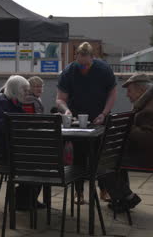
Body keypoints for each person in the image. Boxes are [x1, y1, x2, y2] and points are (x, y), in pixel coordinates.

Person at [56, 42, 117, 203]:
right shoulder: (69, 71)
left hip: (100, 117)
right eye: (80, 64)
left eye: (86, 65)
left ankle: (104, 190)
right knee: (79, 155)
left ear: (93, 58)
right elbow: (60, 99)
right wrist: (66, 110)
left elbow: (112, 93)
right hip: (78, 120)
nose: (83, 68)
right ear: (76, 57)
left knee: (100, 155)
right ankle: (79, 193)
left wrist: (104, 113)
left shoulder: (103, 70)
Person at [105, 74, 153, 212]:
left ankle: (127, 197)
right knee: (109, 157)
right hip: (149, 154)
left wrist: (126, 126)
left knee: (103, 162)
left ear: (141, 90)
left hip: (150, 158)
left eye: (130, 91)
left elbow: (148, 139)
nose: (127, 95)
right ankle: (123, 198)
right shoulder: (151, 103)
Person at [0, 75, 44, 210]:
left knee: (41, 160)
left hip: (8, 147)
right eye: (24, 90)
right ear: (14, 90)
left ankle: (26, 198)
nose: (27, 93)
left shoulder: (10, 101)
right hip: (0, 151)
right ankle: (22, 199)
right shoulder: (2, 102)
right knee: (40, 162)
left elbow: (20, 121)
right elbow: (5, 127)